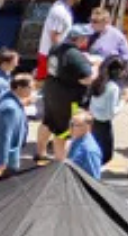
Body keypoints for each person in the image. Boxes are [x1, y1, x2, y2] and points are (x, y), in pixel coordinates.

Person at [38, 25, 95, 162]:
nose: (87, 41)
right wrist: (96, 68)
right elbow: (87, 79)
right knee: (64, 132)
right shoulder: (74, 55)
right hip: (68, 99)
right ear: (80, 39)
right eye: (86, 38)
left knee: (48, 122)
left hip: (51, 91)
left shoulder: (56, 47)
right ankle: (60, 163)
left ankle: (40, 153)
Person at [0, 72, 34, 173]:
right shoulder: (9, 109)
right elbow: (4, 137)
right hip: (4, 159)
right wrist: (2, 163)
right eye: (30, 87)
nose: (32, 90)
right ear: (19, 88)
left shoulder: (6, 96)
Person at [37, 0, 82, 80]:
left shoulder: (63, 7)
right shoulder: (60, 11)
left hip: (51, 54)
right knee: (45, 83)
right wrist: (60, 55)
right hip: (50, 55)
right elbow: (54, 36)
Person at [88, 58, 124, 167]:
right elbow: (111, 113)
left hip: (94, 122)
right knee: (106, 155)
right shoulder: (113, 88)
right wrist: (123, 102)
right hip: (104, 124)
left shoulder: (97, 82)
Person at [67, 111, 103, 179]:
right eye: (71, 124)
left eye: (76, 125)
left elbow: (94, 179)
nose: (71, 128)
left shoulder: (89, 150)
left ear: (87, 127)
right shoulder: (77, 139)